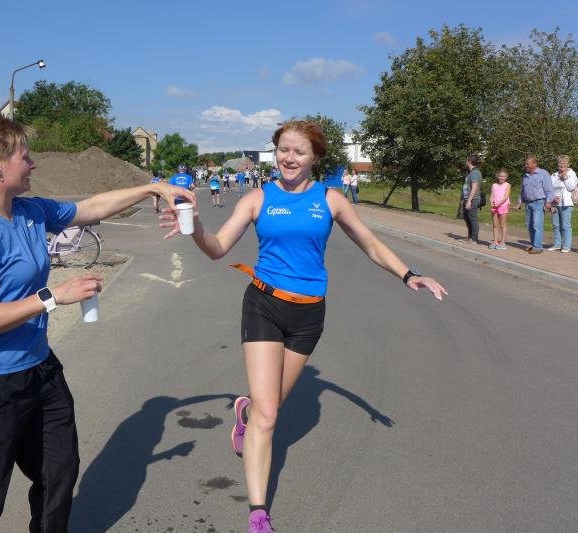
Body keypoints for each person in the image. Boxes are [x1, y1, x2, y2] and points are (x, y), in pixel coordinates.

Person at [160, 118, 447, 533]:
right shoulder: (259, 197)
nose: (289, 158)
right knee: (268, 418)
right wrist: (195, 228)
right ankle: (258, 514)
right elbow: (218, 248)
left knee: (266, 406)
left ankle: (244, 411)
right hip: (263, 306)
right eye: (283, 150)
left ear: (315, 158)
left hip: (308, 316)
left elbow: (370, 243)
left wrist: (408, 274)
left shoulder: (330, 199)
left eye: (298, 151)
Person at [0, 113, 195, 533]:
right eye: (25, 156)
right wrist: (53, 297)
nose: (33, 164)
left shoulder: (30, 211)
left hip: (40, 370)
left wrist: (153, 187)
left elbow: (90, 208)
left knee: (58, 473)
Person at [514, 155, 554, 254]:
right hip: (528, 203)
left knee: (537, 225)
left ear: (534, 163)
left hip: (539, 202)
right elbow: (523, 191)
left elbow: (549, 189)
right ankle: (533, 245)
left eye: (527, 163)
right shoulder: (526, 175)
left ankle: (538, 247)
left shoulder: (543, 173)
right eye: (525, 163)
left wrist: (548, 202)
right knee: (529, 226)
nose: (525, 165)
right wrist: (519, 202)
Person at [547, 155, 577, 253]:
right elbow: (549, 189)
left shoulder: (572, 174)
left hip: (566, 203)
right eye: (560, 163)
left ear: (568, 164)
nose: (562, 165)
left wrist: (565, 177)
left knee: (565, 225)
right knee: (556, 225)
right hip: (555, 203)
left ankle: (566, 246)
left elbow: (571, 187)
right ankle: (557, 245)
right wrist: (552, 198)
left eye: (564, 163)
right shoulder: (554, 175)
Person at [461, 155, 483, 244]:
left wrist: (469, 201)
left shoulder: (474, 173)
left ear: (469, 161)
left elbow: (474, 187)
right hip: (467, 198)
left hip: (473, 199)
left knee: (472, 218)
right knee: (466, 217)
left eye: (466, 160)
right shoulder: (470, 172)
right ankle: (469, 236)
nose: (465, 162)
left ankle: (474, 239)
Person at [488, 169, 511, 250]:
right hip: (494, 206)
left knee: (503, 225)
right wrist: (492, 203)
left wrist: (499, 204)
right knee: (495, 225)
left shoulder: (507, 185)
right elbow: (492, 195)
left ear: (506, 177)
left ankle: (502, 242)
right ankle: (495, 241)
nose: (502, 178)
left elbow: (506, 197)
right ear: (498, 176)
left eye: (504, 176)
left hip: (503, 206)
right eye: (501, 176)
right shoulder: (494, 185)